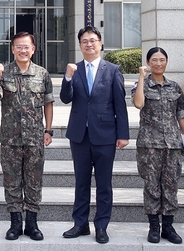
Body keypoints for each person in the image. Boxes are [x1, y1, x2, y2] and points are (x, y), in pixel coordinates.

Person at [59, 26, 129, 244]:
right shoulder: (74, 69)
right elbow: (65, 98)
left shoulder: (112, 70)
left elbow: (120, 104)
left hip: (106, 134)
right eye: (84, 41)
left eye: (93, 40)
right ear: (79, 45)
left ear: (100, 43)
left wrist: (123, 134)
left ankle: (101, 225)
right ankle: (80, 224)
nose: (89, 44)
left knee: (104, 183)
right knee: (81, 182)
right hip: (80, 135)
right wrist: (68, 78)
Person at [0, 32, 54, 241]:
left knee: (34, 181)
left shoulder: (42, 74)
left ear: (33, 49)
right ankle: (15, 223)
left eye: (26, 47)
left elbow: (48, 103)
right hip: (10, 139)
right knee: (12, 181)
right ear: (13, 49)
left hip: (35, 138)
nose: (23, 50)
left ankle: (32, 223)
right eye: (19, 47)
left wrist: (48, 129)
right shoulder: (4, 72)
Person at [132, 47, 184, 244]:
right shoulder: (141, 84)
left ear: (166, 62)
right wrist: (142, 77)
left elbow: (181, 113)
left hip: (172, 144)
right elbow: (138, 103)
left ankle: (168, 226)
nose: (159, 63)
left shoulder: (174, 87)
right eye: (154, 60)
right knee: (151, 186)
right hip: (149, 145)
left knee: (170, 185)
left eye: (162, 60)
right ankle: (154, 227)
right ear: (148, 62)